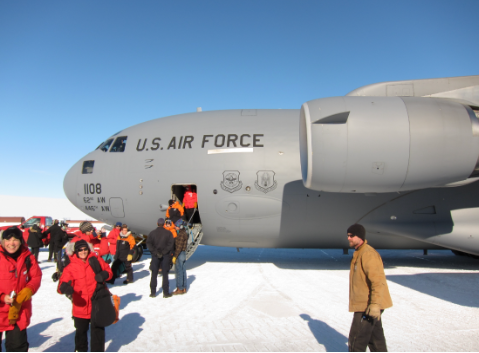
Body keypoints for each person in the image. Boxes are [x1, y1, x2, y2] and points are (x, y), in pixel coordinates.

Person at [58, 240, 112, 352]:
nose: (83, 252)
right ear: (76, 251)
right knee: (81, 332)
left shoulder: (96, 260)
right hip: (80, 305)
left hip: (97, 303)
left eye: (85, 249)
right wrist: (64, 288)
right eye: (80, 250)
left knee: (98, 332)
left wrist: (104, 274)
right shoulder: (71, 267)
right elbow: (62, 284)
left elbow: (109, 271)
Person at [347, 224, 392, 352]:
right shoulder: (359, 252)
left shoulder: (368, 254)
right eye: (348, 236)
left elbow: (378, 282)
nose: (348, 238)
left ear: (359, 237)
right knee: (375, 339)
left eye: (351, 236)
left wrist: (375, 305)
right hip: (366, 304)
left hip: (368, 305)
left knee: (356, 340)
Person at [0, 227, 42, 351]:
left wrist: (29, 289)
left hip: (18, 310)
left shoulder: (28, 257)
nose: (11, 243)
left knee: (17, 347)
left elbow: (36, 276)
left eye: (15, 240)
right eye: (8, 240)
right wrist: (2, 296)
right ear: (2, 241)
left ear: (21, 241)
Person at [146, 218, 174, 298]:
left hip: (155, 256)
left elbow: (149, 243)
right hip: (165, 256)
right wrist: (164, 252)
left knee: (154, 274)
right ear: (164, 224)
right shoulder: (168, 233)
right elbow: (170, 244)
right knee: (165, 274)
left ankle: (153, 292)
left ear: (157, 223)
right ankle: (165, 293)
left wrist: (155, 252)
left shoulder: (152, 233)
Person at [172, 220, 188, 295]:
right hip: (183, 253)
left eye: (176, 226)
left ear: (181, 226)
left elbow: (179, 247)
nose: (175, 227)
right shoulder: (184, 233)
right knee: (183, 270)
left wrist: (175, 256)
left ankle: (180, 288)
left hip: (180, 254)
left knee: (179, 271)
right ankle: (184, 287)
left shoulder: (181, 234)